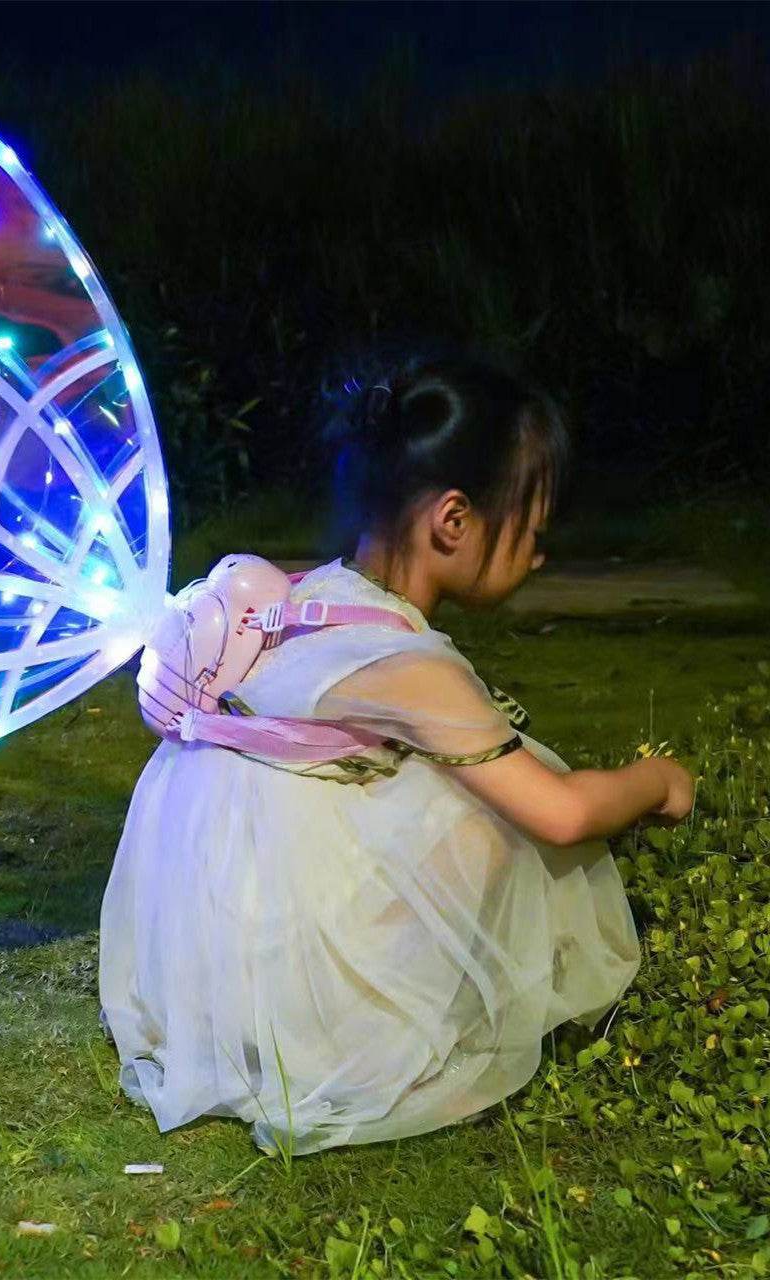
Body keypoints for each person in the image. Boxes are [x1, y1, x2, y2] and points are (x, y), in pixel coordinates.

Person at [97, 353, 695, 1156]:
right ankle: (383, 1028)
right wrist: (657, 781)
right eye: (532, 533)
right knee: (499, 815)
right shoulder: (410, 668)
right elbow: (562, 816)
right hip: (298, 1006)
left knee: (437, 782)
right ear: (454, 521)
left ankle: (319, 1006)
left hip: (209, 973)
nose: (539, 557)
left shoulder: (305, 597)